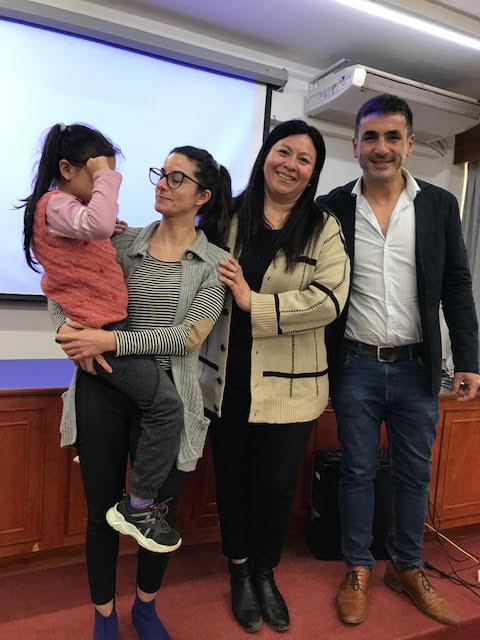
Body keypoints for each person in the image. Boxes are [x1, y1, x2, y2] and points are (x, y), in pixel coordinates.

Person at [48, 144, 231, 640]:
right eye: (161, 173)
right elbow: (65, 284)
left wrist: (109, 340)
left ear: (203, 196)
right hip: (102, 387)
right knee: (101, 511)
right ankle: (104, 614)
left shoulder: (214, 263)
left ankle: (145, 608)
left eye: (177, 178)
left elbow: (187, 337)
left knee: (155, 512)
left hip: (169, 397)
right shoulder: (119, 241)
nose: (162, 184)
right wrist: (65, 330)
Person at [317, 94, 480, 627]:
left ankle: (407, 567)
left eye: (392, 137)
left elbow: (456, 285)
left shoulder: (438, 205)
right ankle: (358, 568)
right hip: (355, 365)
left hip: (417, 367)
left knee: (414, 475)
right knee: (357, 472)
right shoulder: (332, 206)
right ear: (355, 144)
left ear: (409, 143)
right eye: (371, 137)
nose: (381, 147)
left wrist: (469, 358)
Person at [199, 119, 350, 633]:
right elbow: (184, 257)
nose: (290, 165)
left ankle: (265, 572)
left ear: (313, 172)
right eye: (283, 152)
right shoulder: (225, 216)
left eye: (304, 159)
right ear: (266, 154)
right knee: (232, 480)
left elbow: (329, 300)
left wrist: (253, 302)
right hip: (226, 378)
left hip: (292, 386)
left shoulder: (324, 227)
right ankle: (240, 570)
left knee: (275, 486)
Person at [22, 122, 186, 555]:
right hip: (105, 331)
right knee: (167, 407)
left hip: (109, 330)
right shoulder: (55, 203)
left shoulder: (67, 211)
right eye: (96, 177)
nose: (104, 187)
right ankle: (140, 505)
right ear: (66, 169)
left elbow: (89, 236)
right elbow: (91, 227)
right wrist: (108, 177)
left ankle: (123, 480)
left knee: (152, 403)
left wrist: (106, 227)